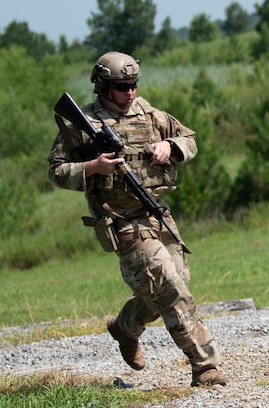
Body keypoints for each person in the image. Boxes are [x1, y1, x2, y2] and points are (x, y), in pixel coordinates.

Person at [47, 51, 227, 387]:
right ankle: (206, 367)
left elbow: (190, 139)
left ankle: (125, 327)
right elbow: (55, 172)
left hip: (159, 215)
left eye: (133, 84)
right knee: (171, 290)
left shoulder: (150, 113)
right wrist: (92, 167)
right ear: (103, 85)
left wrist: (170, 147)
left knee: (169, 287)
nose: (129, 91)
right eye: (121, 86)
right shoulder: (81, 127)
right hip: (123, 223)